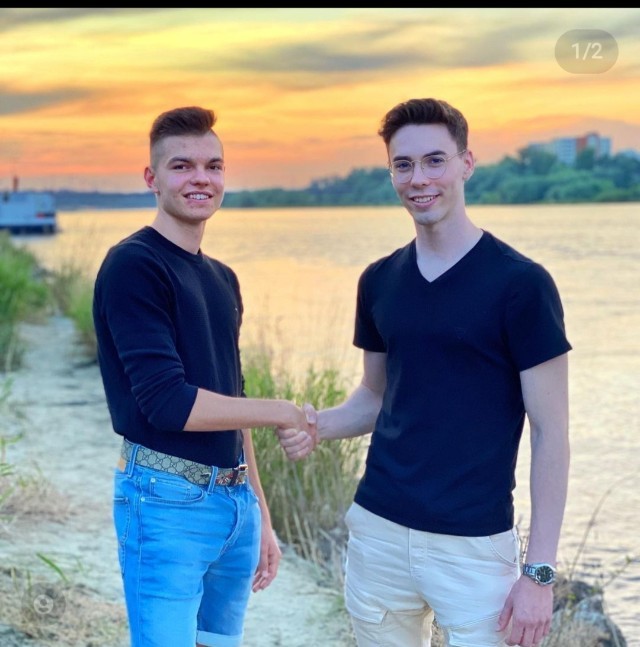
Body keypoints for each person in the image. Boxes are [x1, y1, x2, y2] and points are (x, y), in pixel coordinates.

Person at [284, 98, 571, 647]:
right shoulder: (378, 281)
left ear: (466, 163)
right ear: (392, 173)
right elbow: (374, 398)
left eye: (435, 160)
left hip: (473, 546)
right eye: (404, 164)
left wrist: (538, 572)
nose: (419, 179)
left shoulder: (522, 285)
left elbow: (551, 432)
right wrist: (315, 425)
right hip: (378, 532)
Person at [92, 105, 315, 647]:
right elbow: (168, 403)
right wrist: (283, 411)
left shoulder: (223, 278)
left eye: (213, 166)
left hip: (235, 504)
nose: (201, 178)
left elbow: (231, 399)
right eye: (182, 166)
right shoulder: (134, 265)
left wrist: (260, 513)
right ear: (152, 178)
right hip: (164, 502)